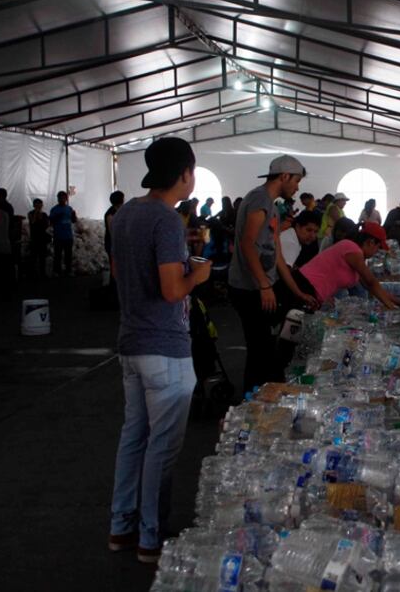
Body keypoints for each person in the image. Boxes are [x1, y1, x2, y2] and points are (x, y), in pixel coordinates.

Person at [107, 136, 213, 564]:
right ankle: (151, 536)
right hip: (164, 348)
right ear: (184, 173)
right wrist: (197, 276)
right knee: (162, 446)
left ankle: (122, 527)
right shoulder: (167, 219)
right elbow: (172, 290)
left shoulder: (125, 214)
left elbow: (118, 271)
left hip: (131, 342)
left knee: (134, 438)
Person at [228, 155, 319, 394]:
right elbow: (247, 244)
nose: (297, 187)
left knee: (264, 348)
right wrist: (264, 285)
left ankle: (259, 396)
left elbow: (277, 256)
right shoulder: (259, 200)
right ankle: (252, 400)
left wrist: (297, 292)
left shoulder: (272, 207)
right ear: (284, 176)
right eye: (296, 181)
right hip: (248, 288)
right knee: (260, 349)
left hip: (258, 286)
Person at [298, 222, 400, 310]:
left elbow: (370, 286)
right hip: (304, 287)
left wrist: (398, 302)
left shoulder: (354, 252)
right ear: (370, 242)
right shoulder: (353, 249)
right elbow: (371, 282)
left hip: (311, 292)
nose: (376, 252)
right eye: (378, 248)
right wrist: (392, 308)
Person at [49, 190, 77, 277]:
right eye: (60, 198)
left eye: (63, 198)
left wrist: (74, 216)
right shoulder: (54, 209)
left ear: (66, 199)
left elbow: (74, 221)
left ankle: (68, 270)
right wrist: (57, 217)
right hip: (58, 236)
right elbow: (51, 222)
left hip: (68, 236)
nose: (62, 199)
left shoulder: (69, 209)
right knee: (57, 255)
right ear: (57, 199)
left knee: (68, 255)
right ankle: (57, 271)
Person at [27, 198, 50, 278]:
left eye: (39, 204)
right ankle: (33, 274)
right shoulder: (30, 213)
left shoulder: (44, 215)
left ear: (42, 205)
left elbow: (46, 225)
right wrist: (36, 214)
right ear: (33, 205)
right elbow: (32, 222)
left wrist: (40, 216)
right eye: (36, 204)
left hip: (42, 239)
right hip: (34, 238)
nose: (38, 206)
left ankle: (42, 273)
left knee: (42, 257)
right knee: (33, 257)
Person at [104, 191, 125, 266]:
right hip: (113, 244)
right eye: (123, 198)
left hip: (118, 243)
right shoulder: (110, 214)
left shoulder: (121, 210)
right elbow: (112, 232)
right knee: (115, 265)